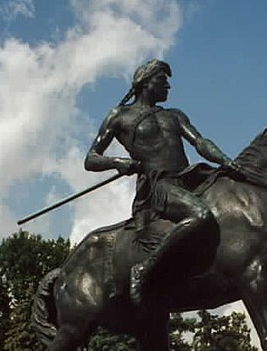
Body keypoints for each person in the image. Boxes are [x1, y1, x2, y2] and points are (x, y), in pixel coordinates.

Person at [84, 59, 236, 306]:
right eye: (162, 81)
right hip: (159, 186)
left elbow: (200, 142)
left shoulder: (174, 116)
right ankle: (144, 267)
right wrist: (118, 162)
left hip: (188, 178)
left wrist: (226, 160)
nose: (168, 87)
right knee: (199, 214)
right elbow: (91, 159)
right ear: (145, 83)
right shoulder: (119, 116)